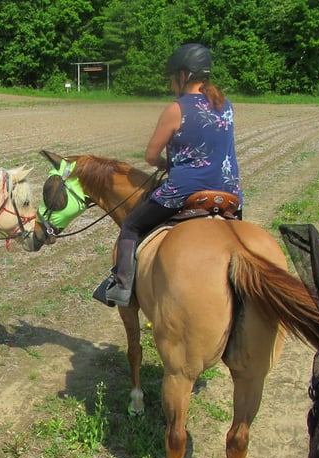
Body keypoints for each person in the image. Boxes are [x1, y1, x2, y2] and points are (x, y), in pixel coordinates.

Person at [95, 43, 242, 307]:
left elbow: (151, 156)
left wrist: (166, 163)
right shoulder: (225, 104)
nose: (172, 84)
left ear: (183, 75)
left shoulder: (178, 108)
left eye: (173, 78)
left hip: (185, 191)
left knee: (131, 225)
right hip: (229, 192)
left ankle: (122, 287)